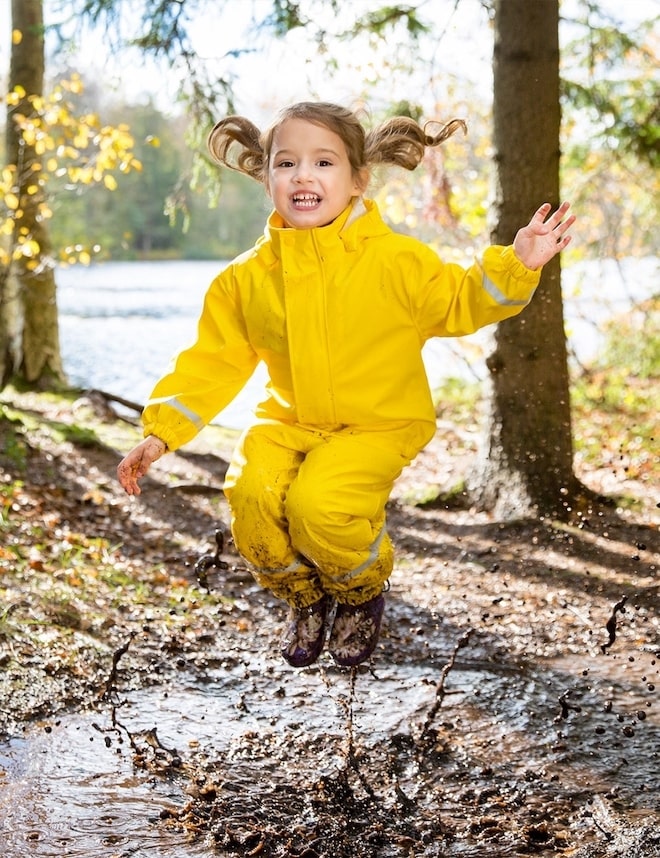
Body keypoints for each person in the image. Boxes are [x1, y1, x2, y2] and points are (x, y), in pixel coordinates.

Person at [117, 101, 575, 670]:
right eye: (286, 163)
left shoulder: (397, 261)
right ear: (267, 178)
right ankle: (305, 599)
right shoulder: (245, 279)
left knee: (318, 507)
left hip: (377, 424)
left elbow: (462, 301)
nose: (303, 175)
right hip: (288, 423)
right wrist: (161, 434)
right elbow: (211, 363)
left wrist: (518, 263)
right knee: (252, 501)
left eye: (323, 162)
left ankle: (360, 591)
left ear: (358, 179)